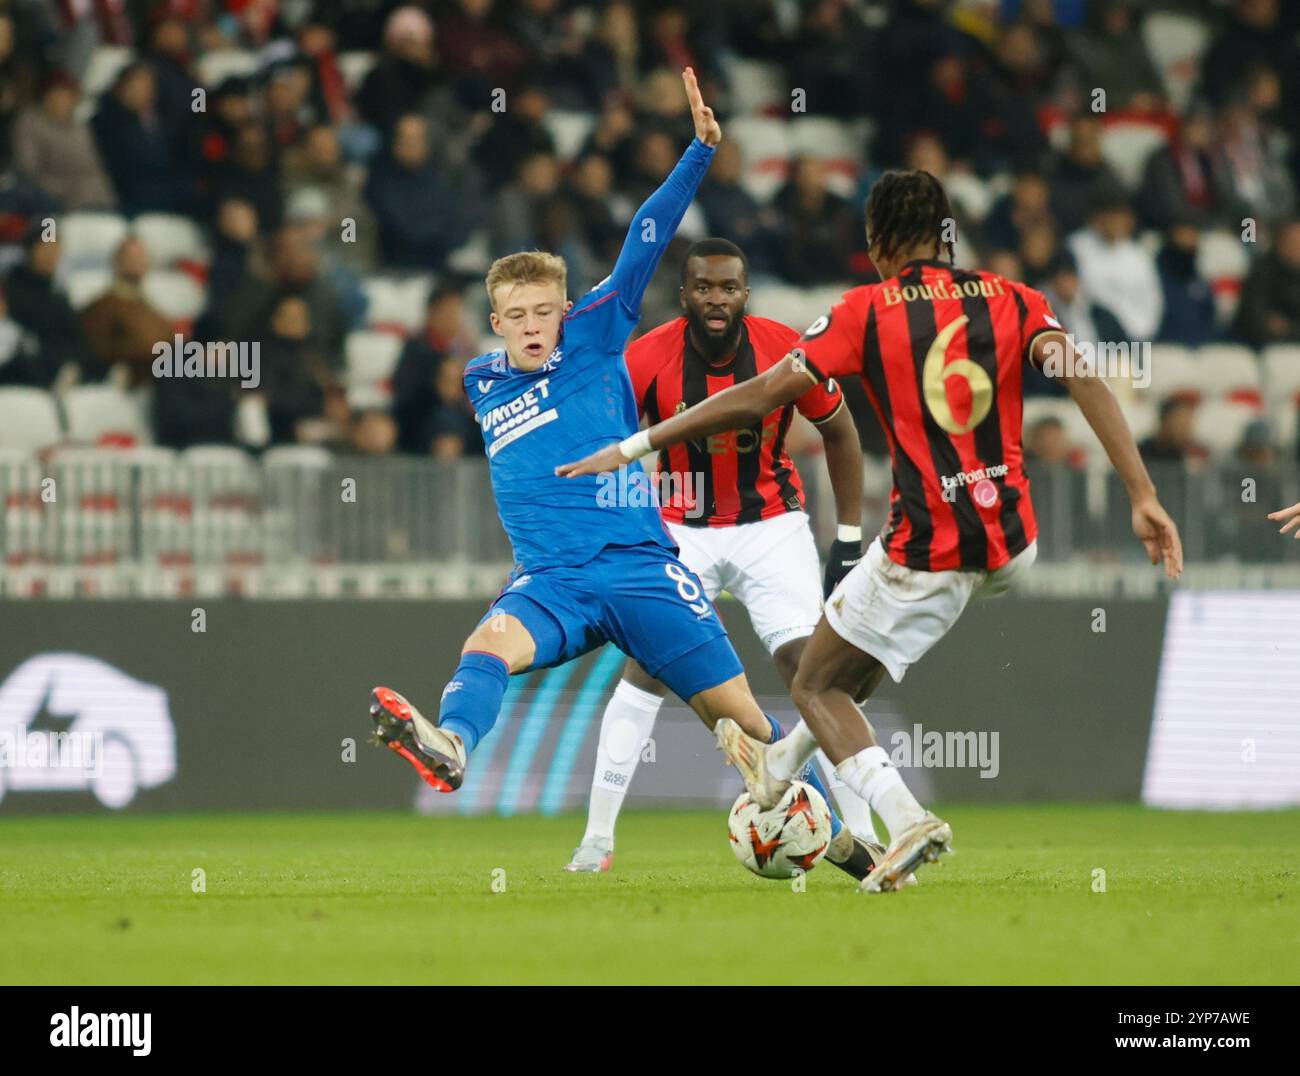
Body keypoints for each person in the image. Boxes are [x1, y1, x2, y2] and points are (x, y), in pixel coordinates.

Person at [558, 168, 1184, 891]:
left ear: (878, 240)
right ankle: (777, 774)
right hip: (1012, 542)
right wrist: (1143, 494)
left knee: (816, 686)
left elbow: (761, 396)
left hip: (928, 546)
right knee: (844, 670)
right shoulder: (1012, 298)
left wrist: (636, 445)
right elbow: (1083, 373)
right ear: (946, 234)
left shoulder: (866, 310)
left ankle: (904, 817)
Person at [368, 69, 882, 883]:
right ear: (495, 323)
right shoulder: (480, 379)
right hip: (551, 582)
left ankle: (858, 859)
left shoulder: (599, 336)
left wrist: (698, 153)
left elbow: (647, 233)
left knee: (749, 728)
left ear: (567, 308)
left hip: (642, 569)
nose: (535, 327)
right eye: (519, 317)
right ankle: (451, 745)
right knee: (485, 648)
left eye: (547, 311)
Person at [565, 237, 875, 874]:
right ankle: (596, 841)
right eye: (703, 287)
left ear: (745, 294)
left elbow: (841, 433)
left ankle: (868, 835)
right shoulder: (646, 358)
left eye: (728, 288)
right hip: (681, 526)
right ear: (684, 296)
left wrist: (847, 538)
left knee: (812, 673)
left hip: (772, 524)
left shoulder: (783, 348)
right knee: (646, 667)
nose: (716, 299)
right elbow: (608, 444)